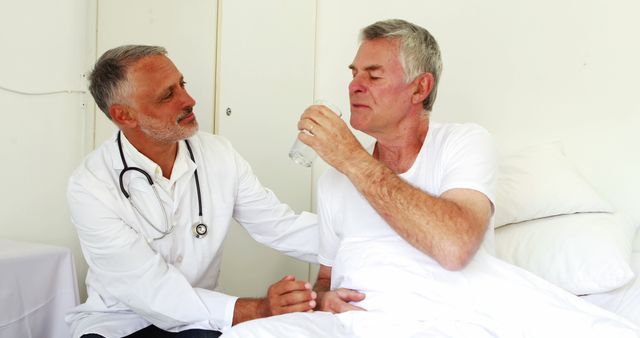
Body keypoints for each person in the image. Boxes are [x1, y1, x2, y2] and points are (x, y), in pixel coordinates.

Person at [220, 19, 639, 337]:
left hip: (444, 316)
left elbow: (455, 246)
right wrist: (321, 298)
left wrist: (350, 157)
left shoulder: (463, 144)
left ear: (420, 88)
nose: (354, 86)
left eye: (373, 75)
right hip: (359, 322)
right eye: (353, 72)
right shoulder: (336, 179)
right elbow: (329, 278)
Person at [66, 45, 319, 338]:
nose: (189, 100)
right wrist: (259, 309)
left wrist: (363, 240)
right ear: (124, 116)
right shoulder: (91, 185)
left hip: (199, 319)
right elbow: (151, 290)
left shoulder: (219, 154)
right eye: (167, 95)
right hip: (120, 322)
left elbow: (279, 225)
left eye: (181, 84)